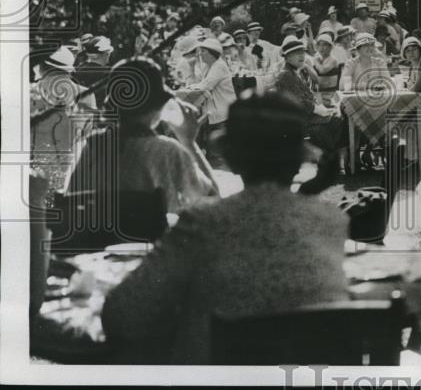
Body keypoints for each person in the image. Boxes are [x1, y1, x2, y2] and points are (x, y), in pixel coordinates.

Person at [101, 93, 351, 364]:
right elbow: (276, 229)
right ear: (299, 159)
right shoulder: (331, 221)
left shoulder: (203, 222)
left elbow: (123, 314)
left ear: (230, 156)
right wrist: (307, 191)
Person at [68, 58, 218, 214]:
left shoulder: (89, 146)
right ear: (157, 105)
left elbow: (71, 201)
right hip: (153, 237)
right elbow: (215, 202)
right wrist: (189, 142)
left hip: (99, 236)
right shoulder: (168, 151)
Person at [273, 36, 346, 193]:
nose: (301, 56)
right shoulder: (285, 74)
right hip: (297, 119)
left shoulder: (296, 72)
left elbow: (310, 95)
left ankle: (329, 161)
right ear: (286, 56)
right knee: (336, 121)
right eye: (295, 53)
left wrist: (322, 108)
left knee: (339, 118)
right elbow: (301, 102)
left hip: (305, 115)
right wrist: (321, 110)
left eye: (302, 52)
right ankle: (331, 162)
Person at [30, 46, 99, 195]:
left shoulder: (30, 93)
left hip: (34, 175)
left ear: (41, 66)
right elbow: (85, 136)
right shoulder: (86, 95)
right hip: (70, 174)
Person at [178, 37, 237, 152]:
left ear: (212, 53)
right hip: (213, 115)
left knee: (219, 152)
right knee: (212, 149)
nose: (200, 54)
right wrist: (191, 69)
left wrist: (188, 88)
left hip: (223, 114)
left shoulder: (219, 66)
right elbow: (196, 85)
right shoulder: (208, 67)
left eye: (203, 51)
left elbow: (205, 86)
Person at [74, 36, 114, 108]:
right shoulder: (108, 74)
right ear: (106, 54)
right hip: (98, 113)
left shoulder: (78, 69)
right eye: (108, 53)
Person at [313, 32, 342, 99]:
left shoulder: (333, 60)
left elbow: (322, 71)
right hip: (320, 93)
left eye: (324, 45)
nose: (321, 48)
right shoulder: (319, 59)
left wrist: (316, 62)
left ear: (330, 47)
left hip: (331, 94)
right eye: (319, 45)